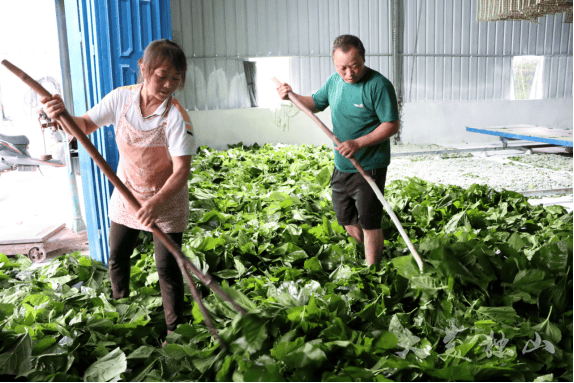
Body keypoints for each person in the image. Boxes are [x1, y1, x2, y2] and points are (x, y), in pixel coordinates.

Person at [41, 39, 195, 335]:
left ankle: (175, 330)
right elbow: (83, 125)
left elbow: (182, 171)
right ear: (143, 68)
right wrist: (61, 115)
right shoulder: (120, 99)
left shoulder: (176, 117)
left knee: (166, 267)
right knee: (117, 256)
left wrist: (157, 203)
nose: (167, 84)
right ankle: (121, 312)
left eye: (175, 79)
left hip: (166, 200)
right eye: (162, 75)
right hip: (128, 193)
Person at [276, 34, 399, 266]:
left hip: (369, 165)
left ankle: (374, 270)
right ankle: (374, 249)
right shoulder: (334, 81)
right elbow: (314, 103)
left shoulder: (378, 85)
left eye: (354, 66)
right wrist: (290, 96)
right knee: (346, 220)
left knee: (370, 222)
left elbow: (391, 124)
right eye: (342, 68)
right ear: (334, 64)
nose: (349, 74)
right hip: (342, 164)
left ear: (363, 58)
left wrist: (358, 143)